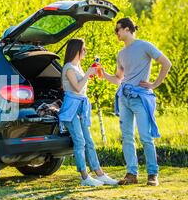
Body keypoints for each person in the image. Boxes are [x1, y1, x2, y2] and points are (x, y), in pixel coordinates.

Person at [102, 18, 172, 186]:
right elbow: (119, 78)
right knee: (127, 137)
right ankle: (131, 174)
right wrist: (103, 74)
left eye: (117, 29)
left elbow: (166, 63)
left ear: (127, 29)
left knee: (146, 137)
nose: (116, 33)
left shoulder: (144, 46)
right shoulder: (121, 54)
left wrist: (154, 84)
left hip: (140, 98)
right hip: (124, 98)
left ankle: (152, 174)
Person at [59, 39, 118, 187]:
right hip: (71, 109)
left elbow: (82, 88)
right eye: (83, 49)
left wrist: (92, 73)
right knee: (80, 141)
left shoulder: (77, 66)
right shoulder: (68, 67)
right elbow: (78, 88)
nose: (85, 51)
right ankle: (84, 177)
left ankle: (99, 174)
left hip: (81, 108)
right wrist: (87, 74)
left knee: (89, 142)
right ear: (76, 50)